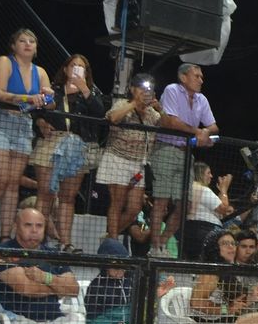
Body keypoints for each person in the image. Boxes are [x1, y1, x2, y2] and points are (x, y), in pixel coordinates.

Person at [0, 29, 52, 238]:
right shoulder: (4, 62)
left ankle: (5, 236)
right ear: (13, 45)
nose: (27, 44)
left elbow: (49, 103)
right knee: (0, 179)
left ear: (36, 48)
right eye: (22, 40)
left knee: (12, 184)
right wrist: (29, 99)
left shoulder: (41, 72)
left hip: (23, 126)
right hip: (0, 120)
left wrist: (47, 97)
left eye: (32, 41)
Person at [29, 53, 105, 247]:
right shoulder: (54, 90)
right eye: (73, 65)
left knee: (68, 197)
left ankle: (65, 242)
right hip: (52, 142)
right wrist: (40, 122)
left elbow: (100, 114)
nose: (76, 69)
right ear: (65, 69)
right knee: (45, 192)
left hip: (77, 147)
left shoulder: (91, 93)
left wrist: (85, 89)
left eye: (82, 67)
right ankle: (37, 241)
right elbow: (36, 111)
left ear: (87, 73)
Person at [151, 63, 218, 257]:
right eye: (196, 76)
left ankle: (162, 244)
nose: (201, 80)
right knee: (161, 201)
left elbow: (214, 126)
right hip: (165, 148)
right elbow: (170, 121)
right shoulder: (172, 90)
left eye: (201, 77)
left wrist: (205, 132)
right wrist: (197, 131)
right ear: (183, 77)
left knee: (186, 204)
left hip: (186, 151)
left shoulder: (202, 99)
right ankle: (154, 247)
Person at [97, 74, 162, 241]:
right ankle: (113, 242)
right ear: (132, 89)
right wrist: (134, 103)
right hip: (118, 159)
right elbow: (112, 117)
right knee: (117, 201)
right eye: (141, 88)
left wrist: (160, 108)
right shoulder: (123, 104)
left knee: (135, 207)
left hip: (138, 165)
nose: (145, 92)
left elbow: (167, 124)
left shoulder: (152, 113)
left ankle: (110, 237)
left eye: (148, 89)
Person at [181, 161, 234, 260]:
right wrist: (224, 190)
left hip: (193, 229)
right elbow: (223, 209)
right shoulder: (202, 189)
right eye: (208, 173)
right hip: (204, 229)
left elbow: (217, 210)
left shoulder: (191, 188)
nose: (211, 176)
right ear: (200, 174)